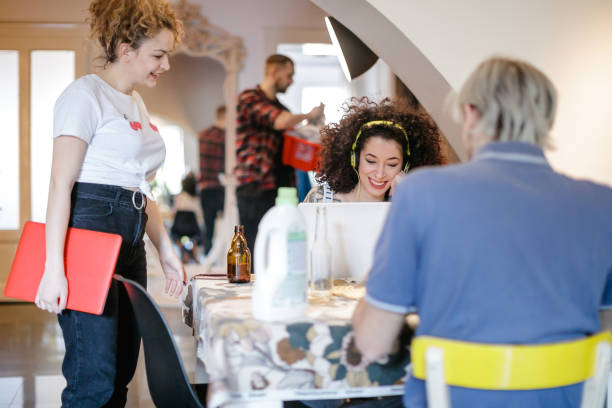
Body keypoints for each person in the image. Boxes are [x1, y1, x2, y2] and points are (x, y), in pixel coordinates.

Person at [351, 56, 612, 408]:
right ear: (546, 120)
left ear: (471, 114)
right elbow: (604, 331)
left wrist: (376, 285)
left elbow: (372, 343)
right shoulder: (601, 205)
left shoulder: (420, 192)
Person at [33, 0, 185, 406]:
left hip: (130, 237)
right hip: (89, 231)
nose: (165, 66)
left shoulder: (135, 103)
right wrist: (53, 269)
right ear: (125, 48)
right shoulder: (84, 95)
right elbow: (60, 185)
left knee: (120, 370)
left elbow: (142, 187)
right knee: (93, 376)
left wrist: (166, 250)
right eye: (158, 54)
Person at [235, 53, 324, 256]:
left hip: (281, 187)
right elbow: (279, 121)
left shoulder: (283, 108)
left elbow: (290, 132)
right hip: (255, 186)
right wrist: (309, 115)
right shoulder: (249, 98)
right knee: (256, 247)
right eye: (289, 75)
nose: (291, 81)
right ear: (274, 71)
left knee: (279, 246)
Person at [304, 97, 444, 203]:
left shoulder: (411, 204)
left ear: (406, 165)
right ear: (354, 158)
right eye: (371, 161)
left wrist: (407, 198)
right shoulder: (321, 199)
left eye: (392, 164)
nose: (380, 174)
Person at [198, 105, 226, 254]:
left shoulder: (202, 135)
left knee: (209, 227)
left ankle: (207, 256)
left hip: (205, 188)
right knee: (230, 223)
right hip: (220, 187)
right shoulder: (225, 137)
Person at [172, 172, 204, 263]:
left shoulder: (179, 197)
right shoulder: (196, 199)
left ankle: (181, 249)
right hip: (192, 230)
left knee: (174, 233)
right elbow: (199, 217)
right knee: (200, 233)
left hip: (179, 229)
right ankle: (194, 251)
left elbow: (174, 212)